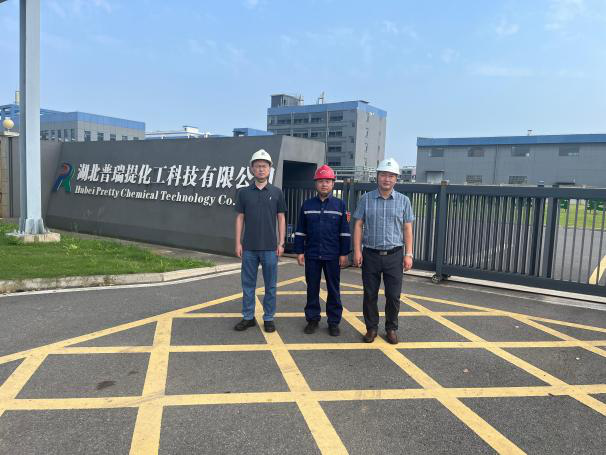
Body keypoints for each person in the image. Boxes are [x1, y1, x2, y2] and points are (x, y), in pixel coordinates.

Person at [352, 158, 414, 345]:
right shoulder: (366, 199)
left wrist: (409, 254)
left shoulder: (403, 201)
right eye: (384, 175)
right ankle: (371, 328)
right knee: (370, 294)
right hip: (370, 254)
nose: (387, 179)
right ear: (377, 177)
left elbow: (407, 228)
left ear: (396, 179)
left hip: (394, 255)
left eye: (391, 176)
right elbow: (358, 225)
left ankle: (391, 328)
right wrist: (357, 251)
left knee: (393, 295)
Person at [294, 165, 351, 336]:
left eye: (327, 181)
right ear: (316, 184)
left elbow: (345, 232)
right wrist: (299, 251)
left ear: (333, 184)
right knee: (312, 287)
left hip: (333, 254)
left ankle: (333, 322)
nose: (324, 184)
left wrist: (344, 253)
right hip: (312, 253)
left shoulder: (340, 205)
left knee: (333, 289)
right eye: (321, 181)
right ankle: (312, 319)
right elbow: (300, 230)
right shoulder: (307, 205)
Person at [234, 149, 286, 333]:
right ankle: (248, 317)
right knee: (248, 285)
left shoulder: (277, 193)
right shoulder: (243, 193)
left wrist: (281, 243)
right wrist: (238, 243)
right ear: (252, 169)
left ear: (270, 169)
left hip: (270, 248)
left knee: (270, 286)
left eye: (264, 166)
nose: (261, 169)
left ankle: (269, 317)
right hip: (249, 247)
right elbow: (240, 218)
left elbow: (281, 218)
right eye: (257, 166)